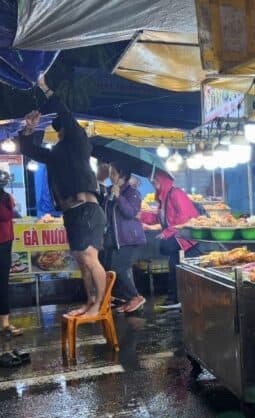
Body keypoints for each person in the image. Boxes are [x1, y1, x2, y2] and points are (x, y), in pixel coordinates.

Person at [20, 73, 107, 318]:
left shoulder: (79, 141)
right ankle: (90, 302)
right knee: (81, 259)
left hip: (87, 209)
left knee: (90, 257)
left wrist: (45, 87)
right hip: (72, 212)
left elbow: (65, 112)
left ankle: (99, 306)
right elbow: (27, 149)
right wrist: (29, 128)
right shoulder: (57, 153)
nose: (57, 131)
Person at [142, 169, 200, 309]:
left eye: (155, 180)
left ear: (163, 180)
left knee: (187, 271)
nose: (153, 183)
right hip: (178, 239)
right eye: (152, 181)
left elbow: (184, 217)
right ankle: (174, 300)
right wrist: (140, 216)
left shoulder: (176, 193)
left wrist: (167, 232)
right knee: (173, 267)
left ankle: (185, 301)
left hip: (187, 239)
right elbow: (158, 218)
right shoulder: (162, 198)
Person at [104, 164, 146, 313]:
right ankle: (125, 298)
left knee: (118, 268)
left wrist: (119, 197)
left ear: (123, 176)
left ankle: (135, 297)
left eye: (113, 173)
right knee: (112, 267)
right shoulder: (109, 190)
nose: (111, 176)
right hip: (113, 238)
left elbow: (130, 212)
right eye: (110, 173)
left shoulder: (132, 192)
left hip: (128, 238)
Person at [0, 168, 21, 337]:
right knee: (2, 283)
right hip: (3, 242)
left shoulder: (7, 198)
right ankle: (5, 323)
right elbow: (7, 216)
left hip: (5, 242)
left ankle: (5, 323)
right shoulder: (6, 198)